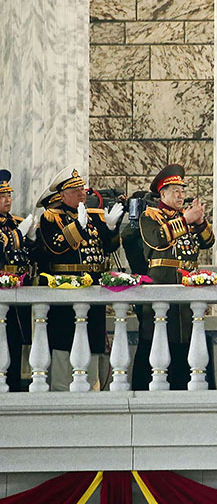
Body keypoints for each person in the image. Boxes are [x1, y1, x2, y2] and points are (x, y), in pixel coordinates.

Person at [37, 166, 123, 390]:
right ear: (62, 195)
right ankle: (61, 387)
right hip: (66, 289)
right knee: (65, 341)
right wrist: (77, 227)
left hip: (92, 286)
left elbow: (106, 247)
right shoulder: (51, 217)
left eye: (82, 189)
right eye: (75, 191)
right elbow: (54, 247)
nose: (82, 194)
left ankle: (92, 387)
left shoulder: (92, 216)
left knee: (93, 340)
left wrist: (111, 228)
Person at [136, 164, 216, 390]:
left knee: (188, 338)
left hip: (188, 283)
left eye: (182, 190)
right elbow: (157, 239)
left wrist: (199, 222)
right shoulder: (150, 216)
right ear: (162, 194)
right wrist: (186, 220)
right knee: (162, 336)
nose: (181, 195)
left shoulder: (185, 217)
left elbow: (208, 241)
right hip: (163, 283)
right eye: (175, 191)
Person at [0, 170, 36, 391]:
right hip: (2, 297)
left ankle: (15, 385)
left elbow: (35, 256)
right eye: (2, 195)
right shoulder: (15, 229)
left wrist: (31, 240)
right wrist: (18, 236)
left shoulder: (16, 223)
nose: (7, 200)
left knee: (17, 343)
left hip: (19, 294)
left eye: (9, 195)